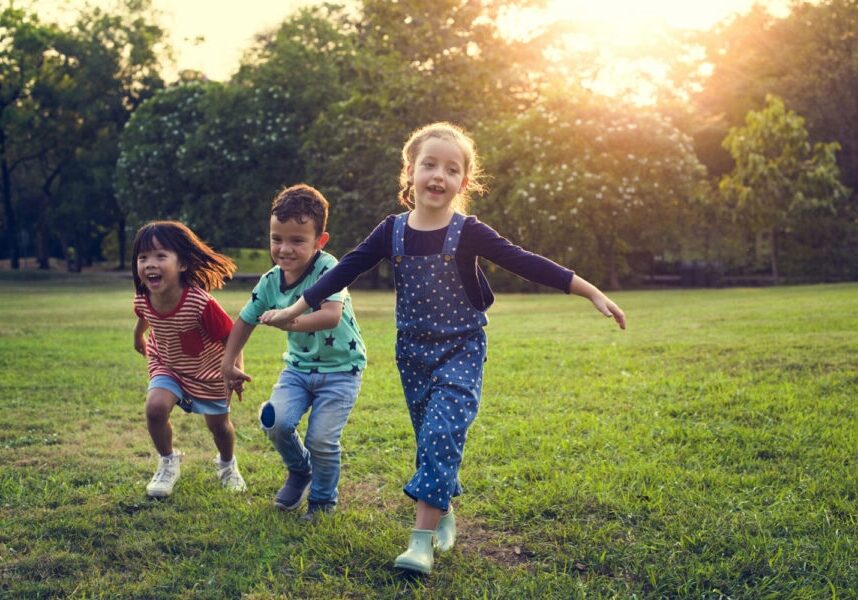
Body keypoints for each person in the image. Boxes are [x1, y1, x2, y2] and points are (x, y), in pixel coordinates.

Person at [258, 122, 626, 574]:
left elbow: (524, 261)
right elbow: (344, 269)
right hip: (413, 354)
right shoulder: (391, 231)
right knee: (429, 438)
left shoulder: (468, 231)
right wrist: (295, 307)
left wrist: (589, 290)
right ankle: (445, 508)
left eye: (451, 169)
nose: (438, 175)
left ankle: (421, 542)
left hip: (462, 350)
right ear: (409, 172)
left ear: (463, 182)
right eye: (429, 164)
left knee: (440, 434)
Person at [221, 184, 366, 521]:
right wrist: (228, 363)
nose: (284, 249)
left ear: (320, 241)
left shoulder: (330, 269)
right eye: (276, 239)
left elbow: (330, 316)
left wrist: (289, 321)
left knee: (321, 440)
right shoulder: (272, 280)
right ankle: (300, 471)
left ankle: (322, 502)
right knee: (275, 421)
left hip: (341, 371)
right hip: (298, 371)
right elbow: (245, 319)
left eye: (297, 241)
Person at [132, 221, 247, 498]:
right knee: (155, 409)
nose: (149, 264)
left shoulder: (200, 303)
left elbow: (231, 337)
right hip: (167, 364)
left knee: (219, 426)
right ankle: (168, 461)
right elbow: (143, 317)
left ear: (182, 264)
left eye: (160, 256)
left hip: (208, 371)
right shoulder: (144, 297)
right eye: (143, 257)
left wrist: (234, 370)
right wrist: (138, 338)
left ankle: (227, 464)